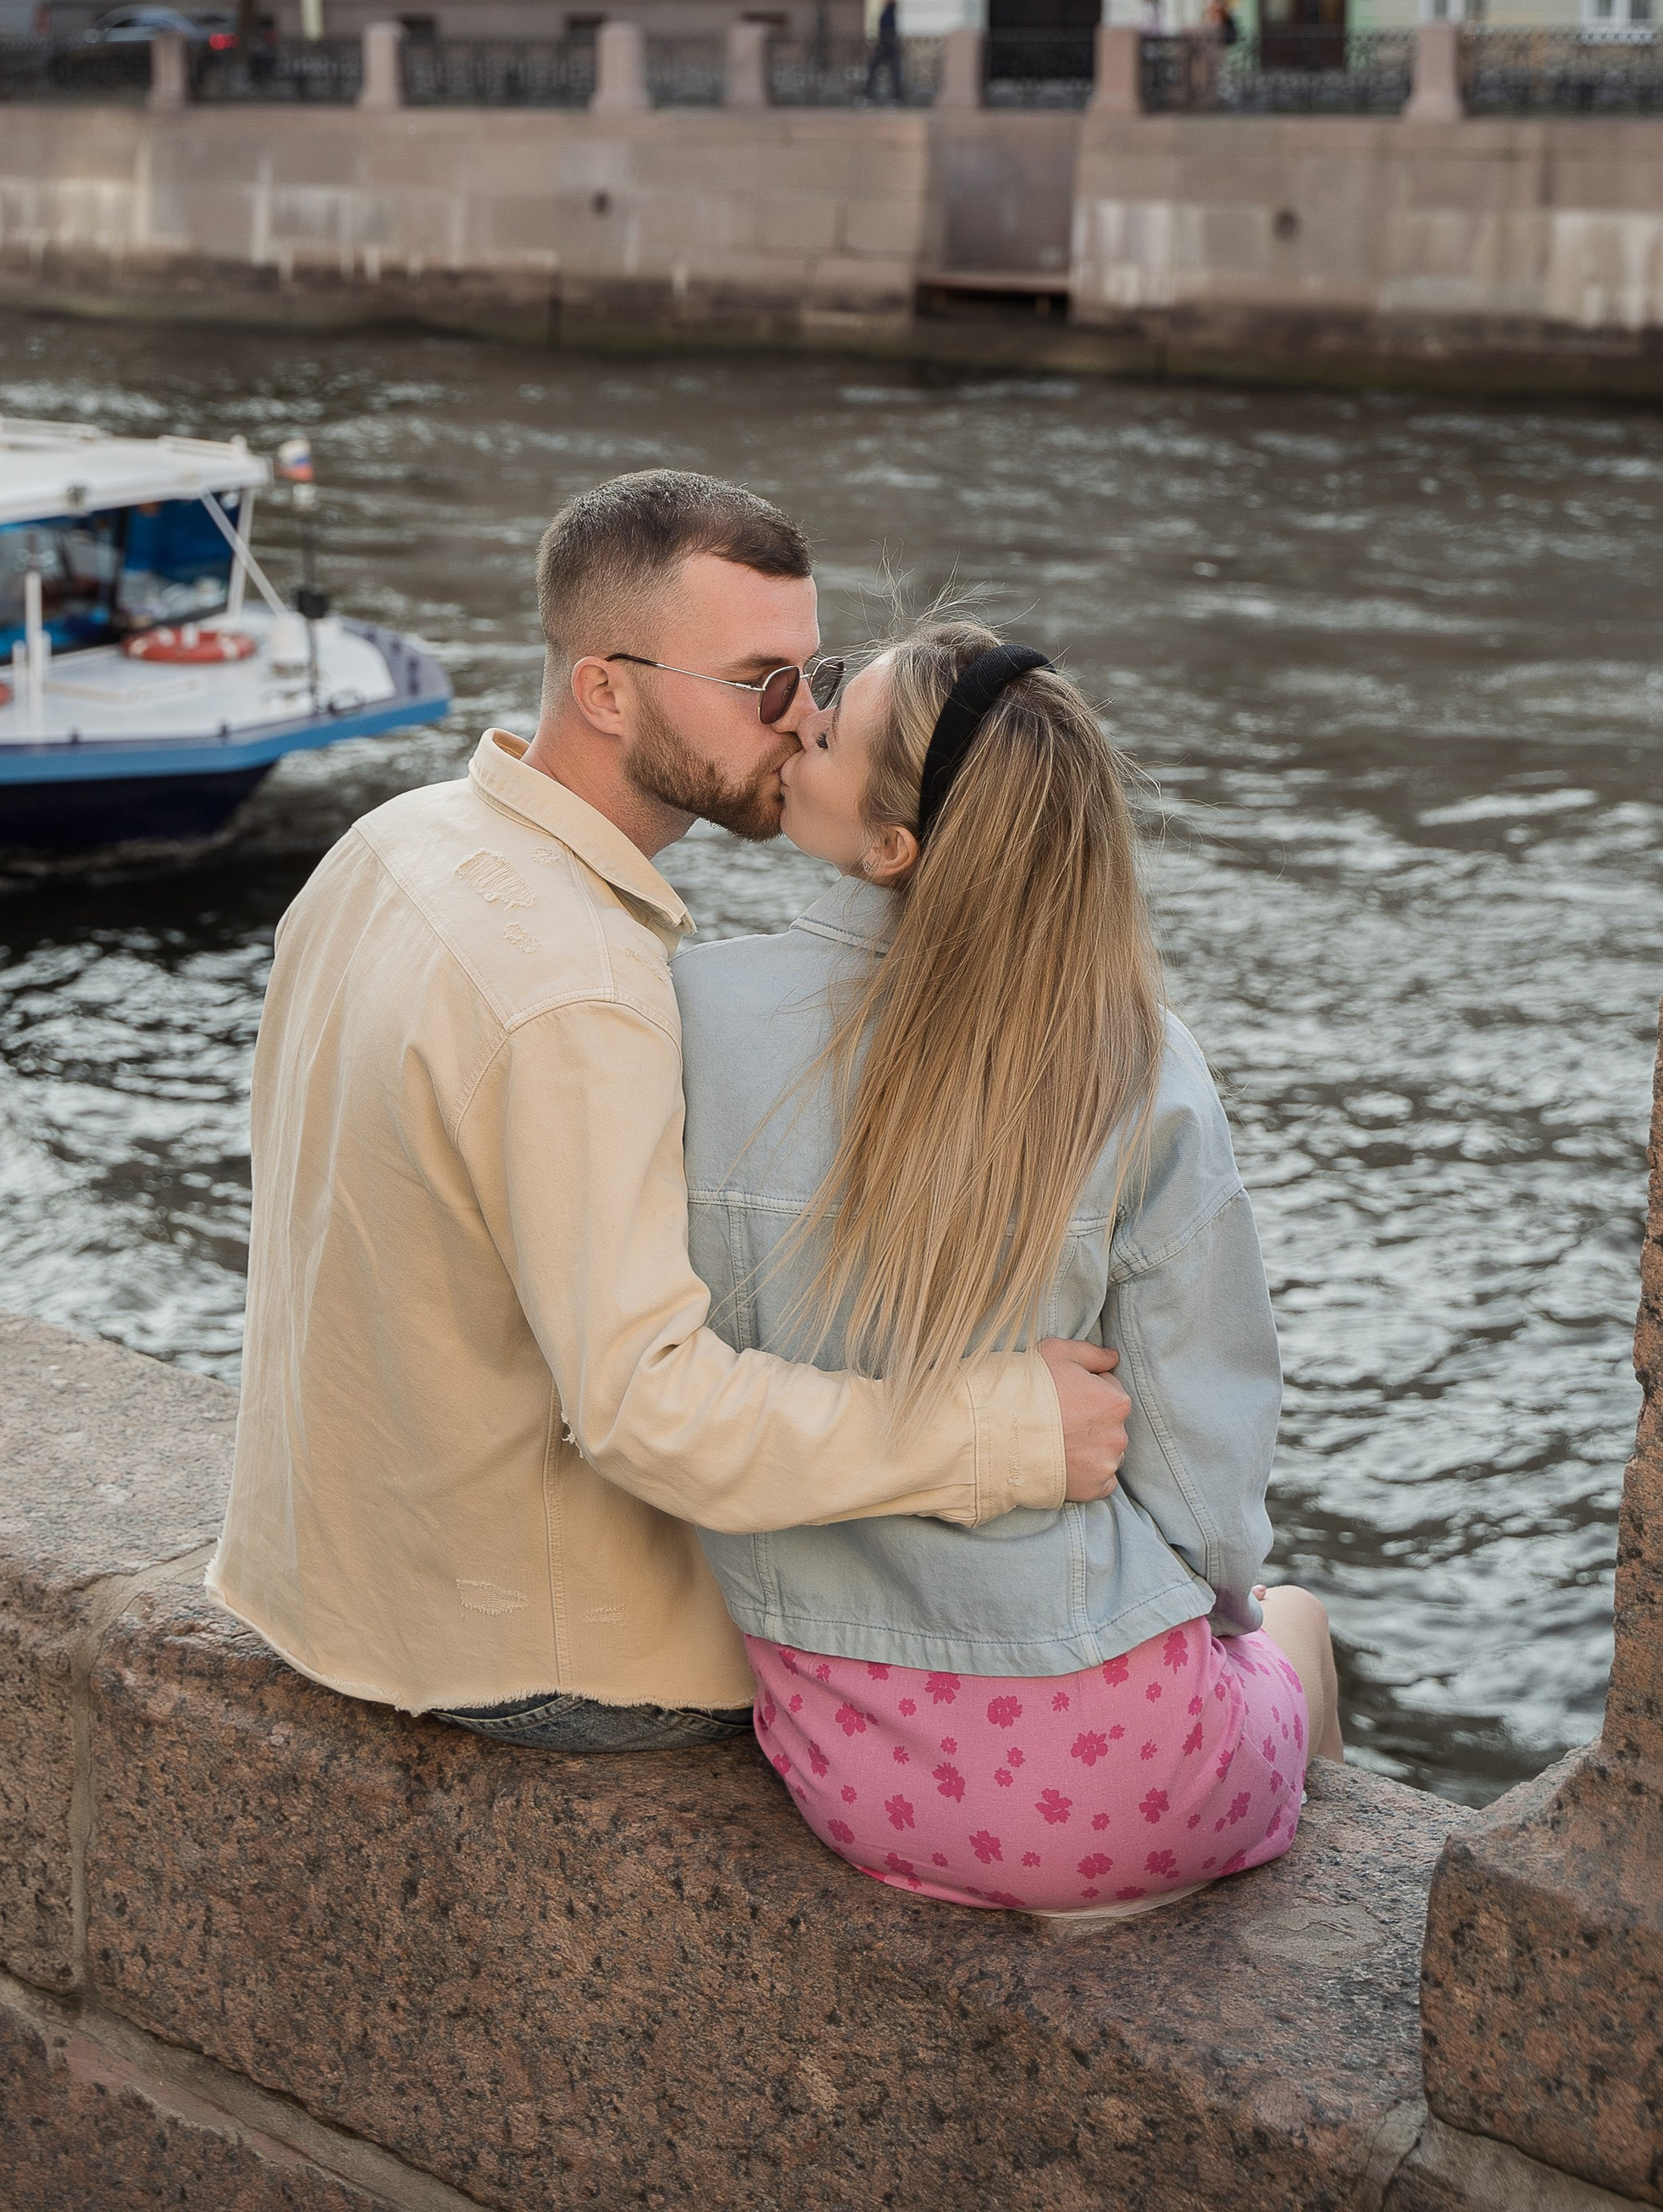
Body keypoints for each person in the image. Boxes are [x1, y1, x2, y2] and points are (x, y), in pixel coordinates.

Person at [213, 478, 1131, 1754]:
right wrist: (1007, 1428)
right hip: (531, 1654)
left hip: (322, 1576)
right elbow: (651, 1410)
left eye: (813, 675)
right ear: (607, 690)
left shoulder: (386, 843)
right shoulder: (586, 989)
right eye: (761, 681)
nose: (806, 722)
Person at [679, 617, 1339, 1911]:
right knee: (1291, 1615)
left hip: (851, 1760)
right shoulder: (1137, 1065)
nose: (794, 715)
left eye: (827, 713)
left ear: (891, 848)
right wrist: (1222, 1607)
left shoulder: (690, 1017)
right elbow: (1208, 1489)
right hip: (1125, 1774)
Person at [864, 0, 904, 104]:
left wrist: (879, 46)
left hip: (887, 44)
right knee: (891, 71)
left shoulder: (889, 9)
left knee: (883, 69)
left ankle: (869, 95)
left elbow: (888, 28)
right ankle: (893, 97)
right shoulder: (889, 8)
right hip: (887, 44)